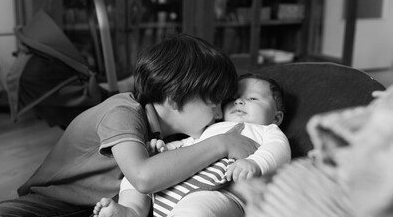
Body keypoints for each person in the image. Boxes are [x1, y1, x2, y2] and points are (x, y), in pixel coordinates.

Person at [0, 33, 258, 217]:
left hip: (106, 208)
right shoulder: (123, 111)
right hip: (55, 202)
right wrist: (221, 143)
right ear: (175, 99)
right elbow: (143, 176)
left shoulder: (171, 134)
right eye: (213, 102)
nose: (220, 114)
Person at [93, 73, 291, 217]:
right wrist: (164, 150)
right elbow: (189, 145)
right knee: (133, 177)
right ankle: (132, 210)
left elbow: (278, 150)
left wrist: (256, 164)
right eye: (233, 98)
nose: (239, 101)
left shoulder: (267, 131)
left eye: (252, 98)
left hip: (221, 193)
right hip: (170, 189)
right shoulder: (210, 128)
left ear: (276, 117)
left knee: (197, 208)